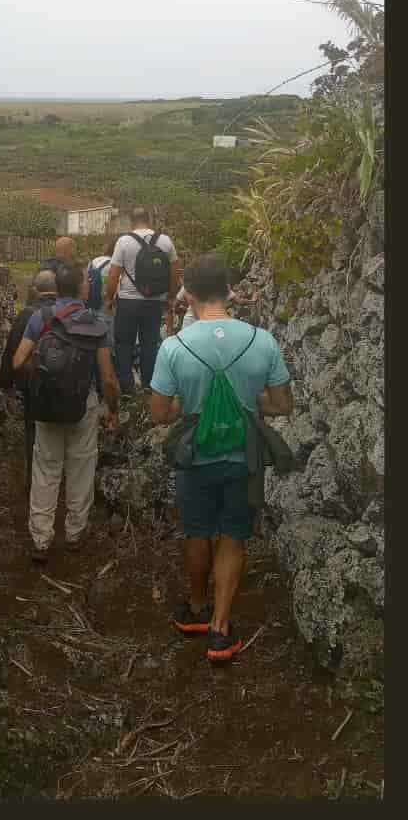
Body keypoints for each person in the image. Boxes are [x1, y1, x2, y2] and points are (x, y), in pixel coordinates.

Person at [148, 254, 293, 664]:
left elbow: (160, 413)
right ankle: (220, 629)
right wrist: (245, 399)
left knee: (197, 531)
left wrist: (196, 406)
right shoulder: (261, 340)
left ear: (189, 294)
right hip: (243, 454)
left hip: (194, 454)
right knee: (233, 534)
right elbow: (282, 405)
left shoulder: (173, 347)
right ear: (230, 292)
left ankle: (196, 608)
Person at [12, 261, 121, 564]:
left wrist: (43, 376)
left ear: (57, 287)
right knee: (81, 467)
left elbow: (18, 361)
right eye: (87, 281)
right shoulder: (96, 321)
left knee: (46, 468)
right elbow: (108, 378)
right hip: (82, 404)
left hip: (46, 404)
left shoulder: (40, 316)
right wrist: (112, 410)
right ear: (84, 287)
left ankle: (41, 539)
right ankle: (75, 533)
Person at [102, 207, 179, 397]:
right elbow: (175, 271)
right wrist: (170, 296)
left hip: (128, 301)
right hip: (154, 301)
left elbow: (114, 274)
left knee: (124, 343)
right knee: (149, 342)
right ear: (150, 220)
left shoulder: (124, 241)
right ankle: (149, 385)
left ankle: (127, 386)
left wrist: (109, 298)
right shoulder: (165, 240)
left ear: (131, 222)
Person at [0, 270, 60, 488]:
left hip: (33, 384)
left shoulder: (27, 315)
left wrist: (6, 383)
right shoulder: (69, 312)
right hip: (66, 386)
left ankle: (34, 482)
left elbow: (12, 350)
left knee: (33, 433)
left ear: (35, 290)